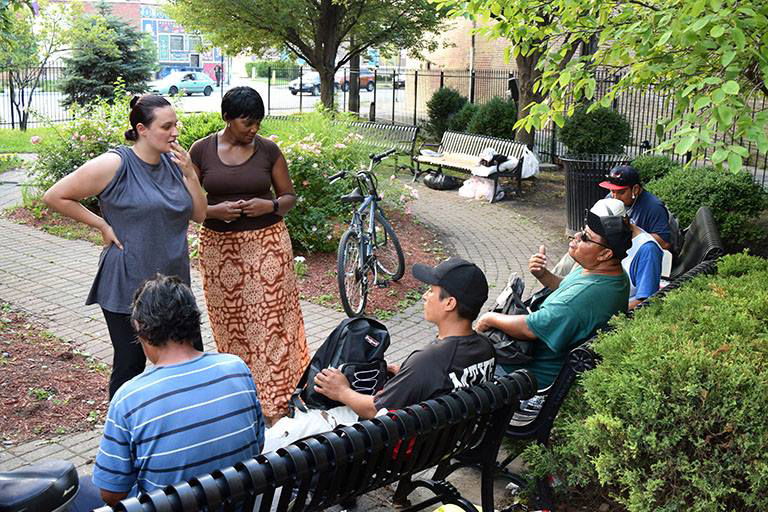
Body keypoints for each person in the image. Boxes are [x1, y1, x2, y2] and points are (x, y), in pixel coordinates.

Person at [43, 95, 207, 399]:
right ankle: (122, 436)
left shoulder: (176, 163)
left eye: (176, 124)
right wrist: (102, 225)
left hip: (174, 284)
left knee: (190, 356)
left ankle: (184, 427)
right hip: (128, 282)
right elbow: (55, 196)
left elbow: (199, 214)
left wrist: (190, 174)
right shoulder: (115, 163)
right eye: (166, 126)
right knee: (130, 365)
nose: (175, 132)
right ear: (142, 129)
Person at [69, 275, 265, 511]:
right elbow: (257, 443)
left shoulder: (130, 398)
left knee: (78, 491)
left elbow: (112, 493)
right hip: (237, 503)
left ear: (140, 328)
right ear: (194, 320)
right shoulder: (236, 369)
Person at [265, 258, 496, 452]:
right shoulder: (485, 348)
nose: (425, 296)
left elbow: (374, 410)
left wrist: (342, 391)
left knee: (300, 423)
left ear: (450, 303)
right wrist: (405, 375)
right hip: (443, 443)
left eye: (431, 291)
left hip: (398, 448)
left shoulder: (430, 360)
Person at [189, 86, 309, 424]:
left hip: (267, 247)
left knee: (271, 324)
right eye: (247, 123)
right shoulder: (201, 151)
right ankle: (242, 396)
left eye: (257, 122)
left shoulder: (269, 150)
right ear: (227, 118)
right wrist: (214, 211)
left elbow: (288, 197)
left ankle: (280, 399)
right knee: (231, 324)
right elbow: (188, 203)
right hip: (218, 250)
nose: (253, 129)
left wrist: (268, 205)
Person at [476, 212, 631, 390]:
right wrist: (543, 274)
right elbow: (565, 286)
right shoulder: (610, 274)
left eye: (586, 237)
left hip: (528, 376)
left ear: (605, 254)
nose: (577, 236)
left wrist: (488, 318)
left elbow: (529, 328)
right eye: (582, 230)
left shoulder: (581, 298)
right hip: (534, 357)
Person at [591, 198, 666, 309]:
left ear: (623, 223)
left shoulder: (648, 250)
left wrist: (605, 313)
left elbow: (646, 301)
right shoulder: (611, 239)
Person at [599, 165, 672, 250]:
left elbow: (665, 243)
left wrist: (631, 231)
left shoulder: (654, 207)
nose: (615, 197)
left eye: (621, 192)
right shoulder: (610, 198)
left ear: (635, 189)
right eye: (612, 191)